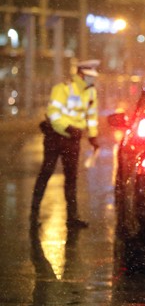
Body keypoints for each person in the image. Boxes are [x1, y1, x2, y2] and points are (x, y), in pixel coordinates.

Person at [30, 59, 101, 229]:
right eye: (89, 77)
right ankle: (33, 216)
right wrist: (68, 128)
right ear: (80, 74)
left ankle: (72, 218)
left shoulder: (91, 93)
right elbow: (53, 114)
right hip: (55, 137)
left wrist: (93, 137)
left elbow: (91, 116)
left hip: (73, 140)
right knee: (46, 173)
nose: (92, 80)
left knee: (71, 178)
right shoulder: (62, 89)